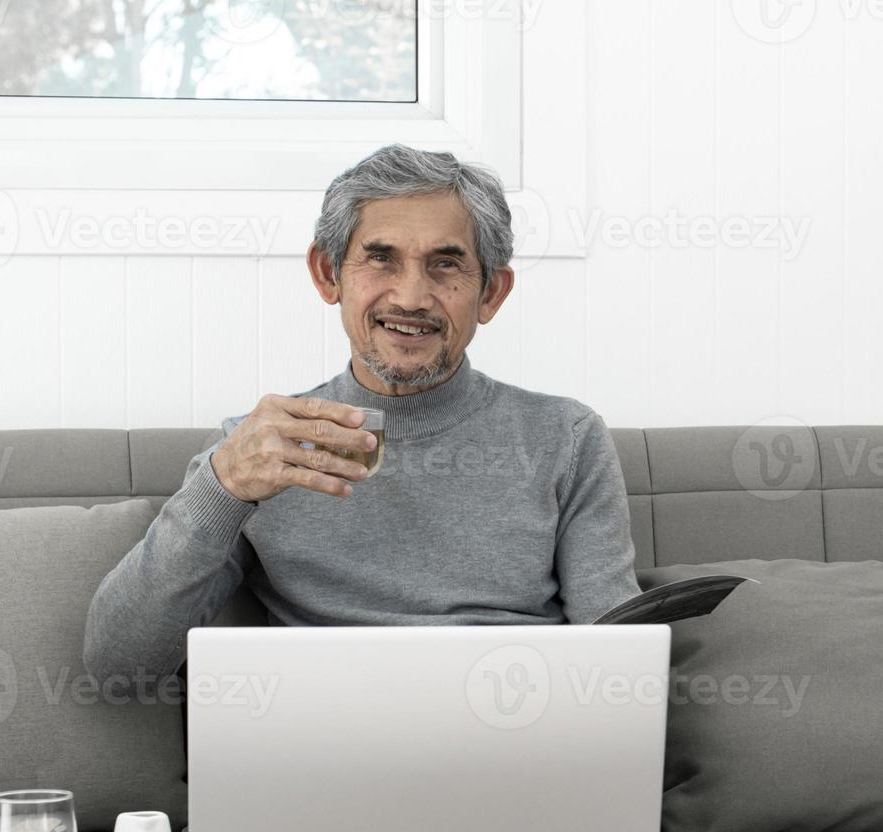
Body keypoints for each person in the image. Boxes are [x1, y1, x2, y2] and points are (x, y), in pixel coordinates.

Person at [83, 144, 639, 683]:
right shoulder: (256, 451)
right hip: (323, 756)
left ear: (490, 292)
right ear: (329, 275)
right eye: (381, 259)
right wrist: (222, 489)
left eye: (446, 265)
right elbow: (120, 668)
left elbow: (619, 670)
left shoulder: (566, 438)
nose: (412, 296)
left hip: (516, 738)